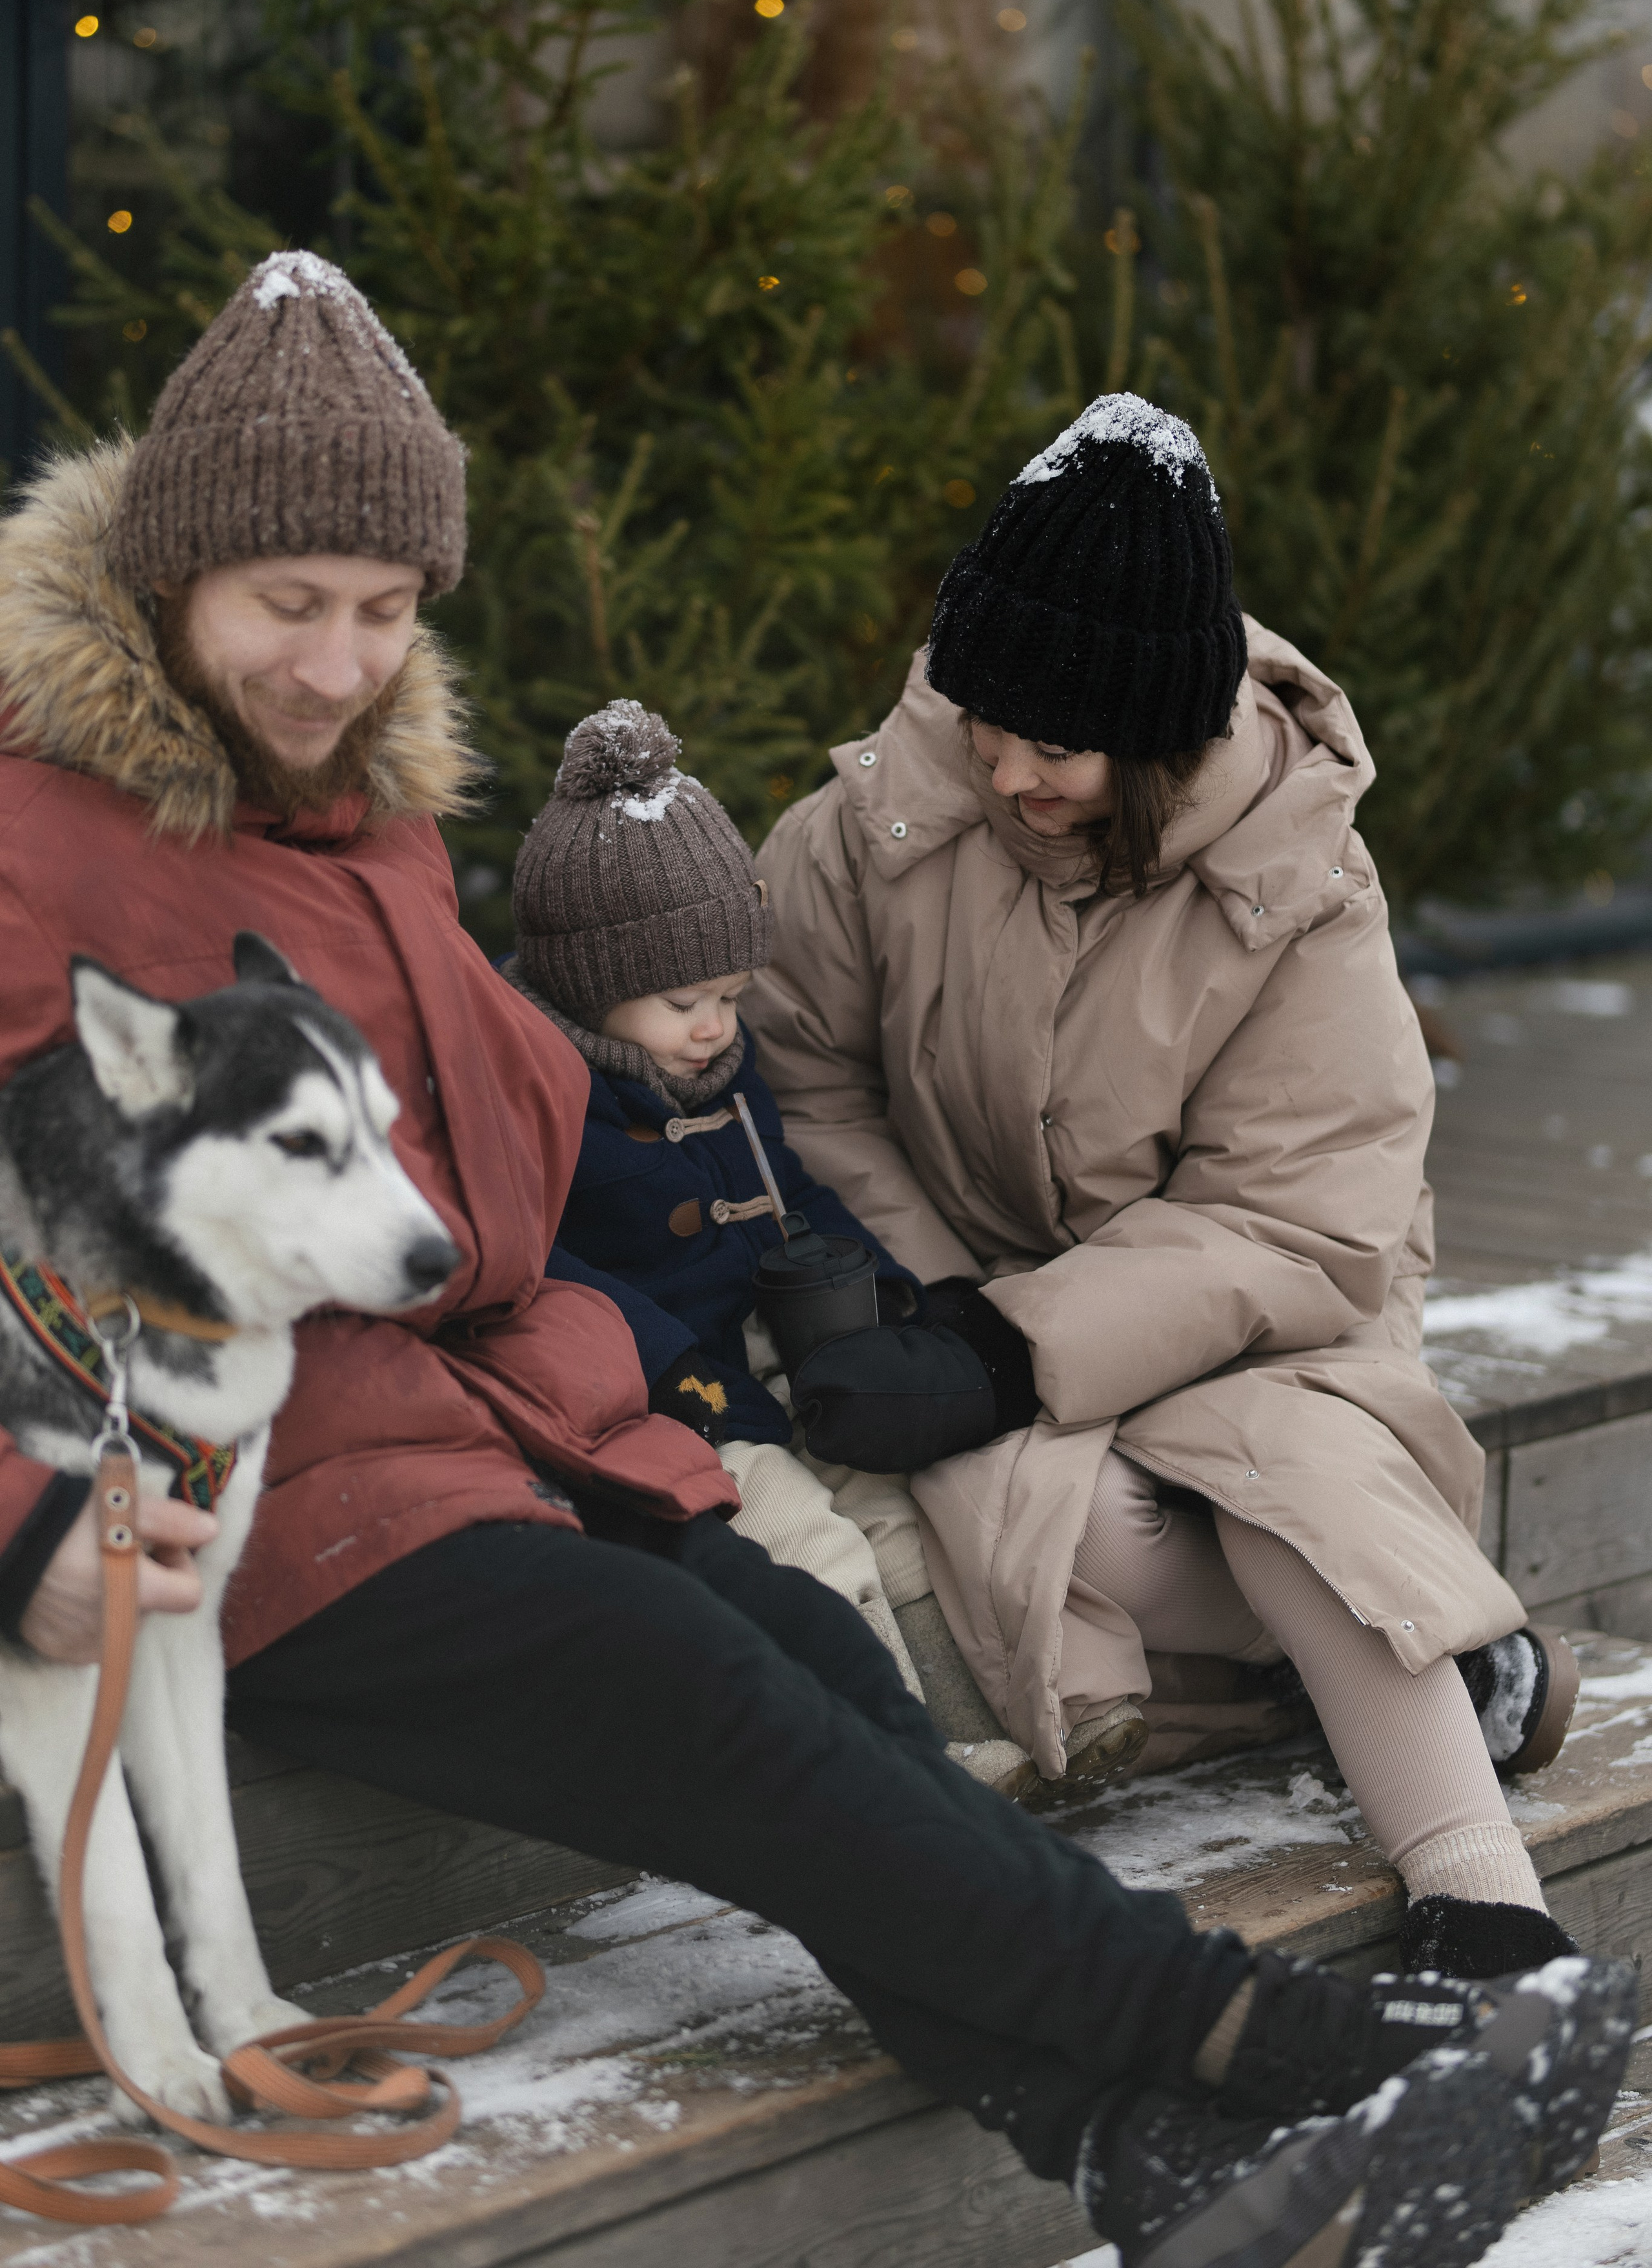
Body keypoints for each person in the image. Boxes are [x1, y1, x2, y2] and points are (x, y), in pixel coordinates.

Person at [0, 265, 1626, 2268]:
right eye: (287, 603)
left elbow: (490, 1186)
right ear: (167, 577)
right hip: (250, 1491)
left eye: (387, 608)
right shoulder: (40, 831)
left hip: (488, 1418)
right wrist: (24, 1521)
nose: (340, 663)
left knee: (826, 1652)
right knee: (708, 1692)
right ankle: (1244, 2036)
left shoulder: (360, 819)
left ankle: (1135, 2160)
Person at [745, 390, 1582, 1989]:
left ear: (1153, 734)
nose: (1002, 770)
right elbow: (810, 1071)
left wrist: (1003, 1353)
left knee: (1266, 1463)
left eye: (1051, 743)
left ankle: (1488, 1913)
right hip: (971, 1279)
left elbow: (1291, 1218)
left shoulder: (1299, 885)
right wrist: (930, 1304)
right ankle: (1425, 1658)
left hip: (1262, 1317)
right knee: (1086, 1516)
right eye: (983, 720)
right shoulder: (876, 825)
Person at [501, 695, 1035, 1789]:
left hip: (788, 1358)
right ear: (589, 991)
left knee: (894, 1511)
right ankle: (899, 1761)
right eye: (683, 999)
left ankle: (977, 1724)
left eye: (734, 996)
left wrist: (885, 1296)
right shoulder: (551, 1101)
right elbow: (552, 1273)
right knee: (812, 1542)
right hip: (677, 1406)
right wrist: (683, 1381)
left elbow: (790, 1195)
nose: (715, 1026)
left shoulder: (725, 1079)